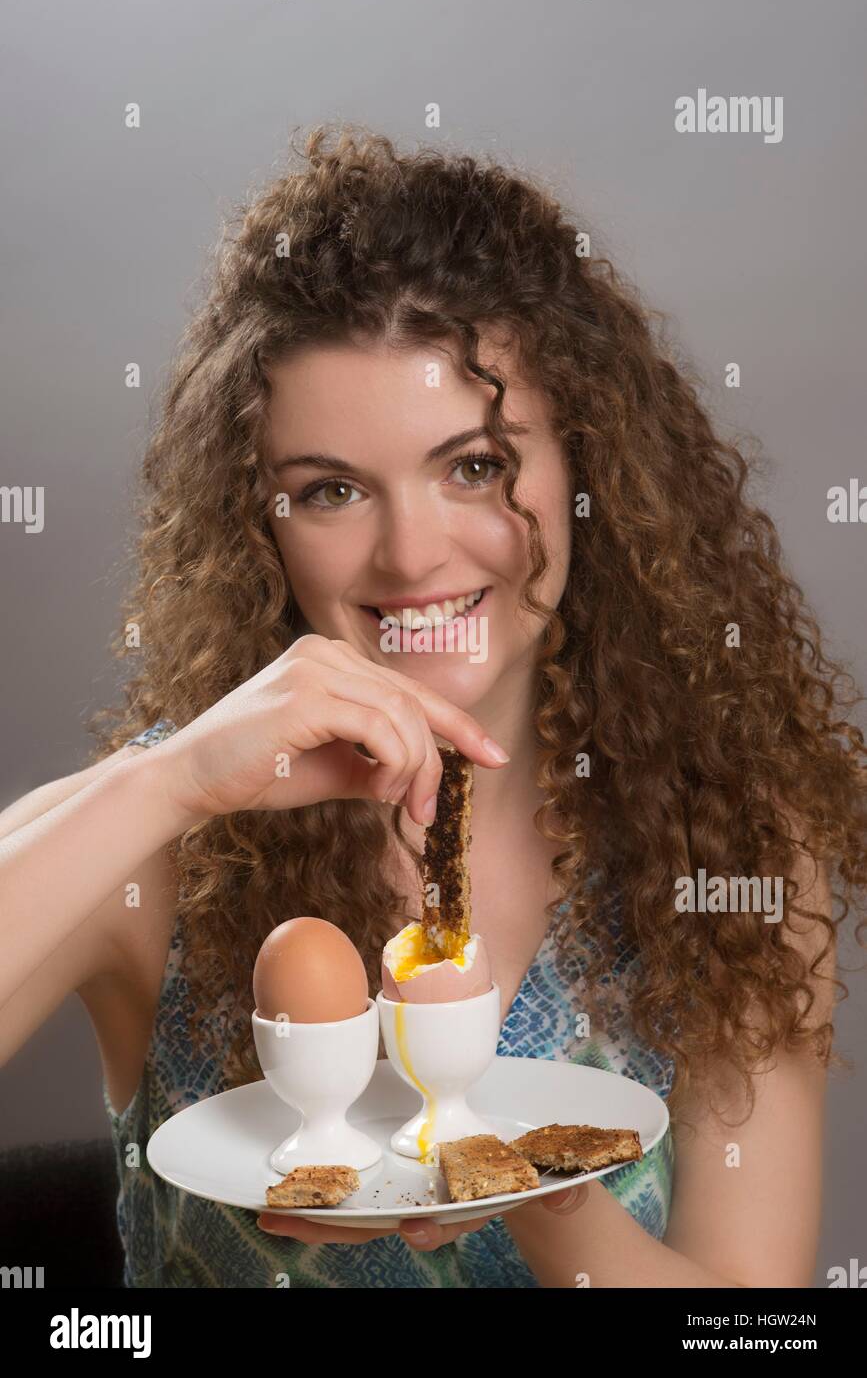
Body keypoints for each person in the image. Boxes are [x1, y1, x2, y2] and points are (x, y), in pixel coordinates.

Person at [1, 124, 863, 1289]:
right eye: (331, 490)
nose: (413, 556)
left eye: (473, 466)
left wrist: (537, 1194)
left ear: (587, 469)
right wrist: (170, 779)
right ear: (260, 526)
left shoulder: (728, 841)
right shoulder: (164, 833)